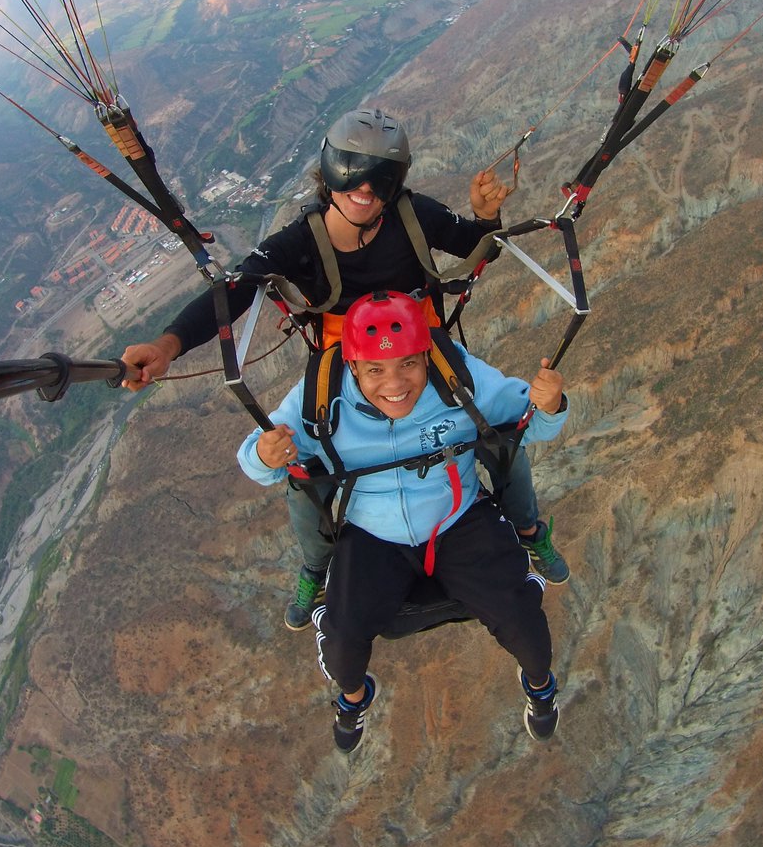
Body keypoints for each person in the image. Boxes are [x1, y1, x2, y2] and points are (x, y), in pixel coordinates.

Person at [122, 108, 569, 628]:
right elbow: (235, 291)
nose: (366, 189)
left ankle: (529, 530)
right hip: (344, 366)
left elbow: (471, 245)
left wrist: (485, 218)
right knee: (305, 466)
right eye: (351, 172)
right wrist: (168, 345)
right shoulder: (299, 242)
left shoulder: (412, 215)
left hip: (423, 352)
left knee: (500, 425)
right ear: (328, 173)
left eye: (381, 178)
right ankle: (317, 566)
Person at [237, 291, 568, 753]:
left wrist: (551, 404)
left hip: (457, 517)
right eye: (375, 369)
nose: (394, 384)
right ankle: (354, 698)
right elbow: (260, 456)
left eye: (408, 365)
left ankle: (540, 687)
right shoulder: (323, 392)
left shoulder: (457, 376)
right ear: (353, 367)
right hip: (373, 533)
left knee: (528, 631)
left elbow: (524, 421)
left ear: (426, 357)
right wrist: (263, 453)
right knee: (343, 646)